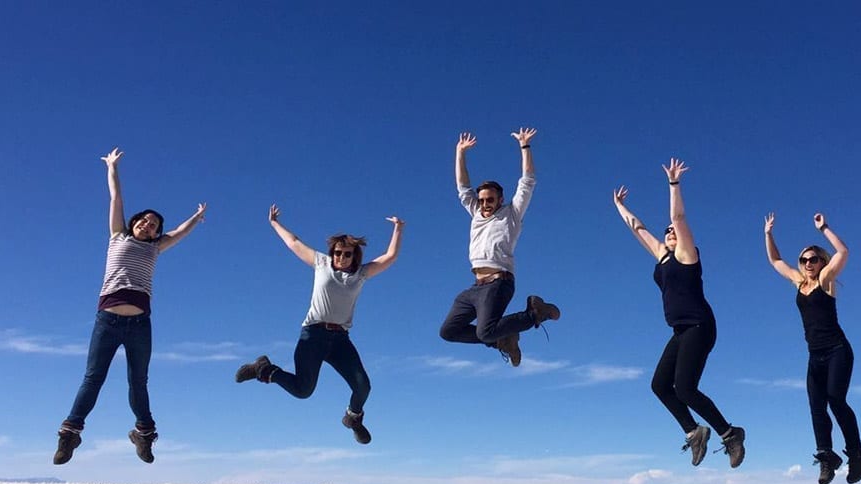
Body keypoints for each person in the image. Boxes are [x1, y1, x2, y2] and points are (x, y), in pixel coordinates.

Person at [53, 148, 206, 465]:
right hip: (107, 322)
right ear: (134, 222)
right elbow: (116, 199)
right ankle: (69, 434)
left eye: (154, 225)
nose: (148, 225)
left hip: (139, 325)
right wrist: (112, 168)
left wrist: (196, 217)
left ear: (156, 234)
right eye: (145, 220)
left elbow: (178, 233)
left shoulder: (155, 249)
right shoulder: (117, 237)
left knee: (138, 382)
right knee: (93, 379)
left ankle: (144, 434)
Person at [612, 159, 745, 468]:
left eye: (674, 232)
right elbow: (638, 230)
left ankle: (730, 434)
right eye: (667, 232)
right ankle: (694, 432)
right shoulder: (663, 258)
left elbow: (678, 216)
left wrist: (673, 184)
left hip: (700, 325)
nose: (670, 232)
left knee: (685, 388)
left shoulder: (687, 255)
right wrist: (620, 206)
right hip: (681, 330)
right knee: (660, 385)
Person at [234, 206, 403, 445]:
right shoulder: (321, 264)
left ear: (355, 256)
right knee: (303, 390)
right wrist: (274, 223)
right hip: (313, 335)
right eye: (337, 253)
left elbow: (390, 257)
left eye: (347, 254)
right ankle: (264, 369)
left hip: (340, 340)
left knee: (363, 386)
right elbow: (294, 242)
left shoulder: (361, 274)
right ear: (331, 253)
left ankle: (353, 419)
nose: (341, 258)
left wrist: (398, 229)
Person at [763, 211, 861, 484]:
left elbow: (843, 251)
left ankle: (857, 454)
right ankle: (826, 457)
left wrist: (824, 229)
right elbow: (775, 260)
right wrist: (768, 234)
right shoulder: (799, 283)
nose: (808, 263)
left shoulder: (826, 282)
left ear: (822, 262)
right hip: (815, 356)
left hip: (837, 350)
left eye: (813, 259)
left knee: (836, 399)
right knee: (816, 407)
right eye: (804, 260)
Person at [439, 129, 560, 367]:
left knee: (485, 331)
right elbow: (463, 187)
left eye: (490, 200)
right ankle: (503, 340)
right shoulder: (476, 213)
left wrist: (525, 147)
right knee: (449, 331)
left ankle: (535, 313)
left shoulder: (512, 214)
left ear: (500, 200)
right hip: (476, 286)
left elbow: (528, 181)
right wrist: (459, 152)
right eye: (482, 200)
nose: (484, 204)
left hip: (499, 282)